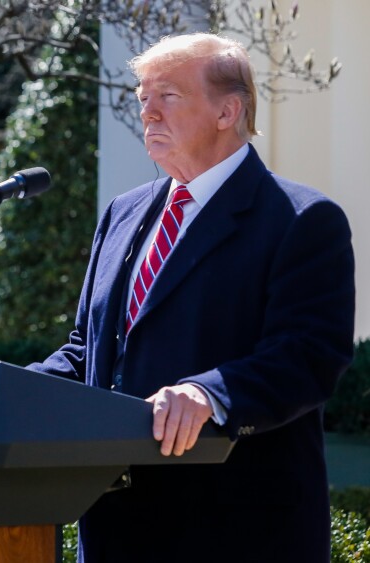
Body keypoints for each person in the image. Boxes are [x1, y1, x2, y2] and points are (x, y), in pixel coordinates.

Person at [25, 33, 355, 562]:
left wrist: (209, 395)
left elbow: (308, 355)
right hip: (115, 531)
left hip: (233, 532)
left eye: (169, 96)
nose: (148, 112)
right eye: (143, 98)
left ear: (228, 111)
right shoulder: (123, 213)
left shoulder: (301, 220)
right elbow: (89, 350)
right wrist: (16, 392)